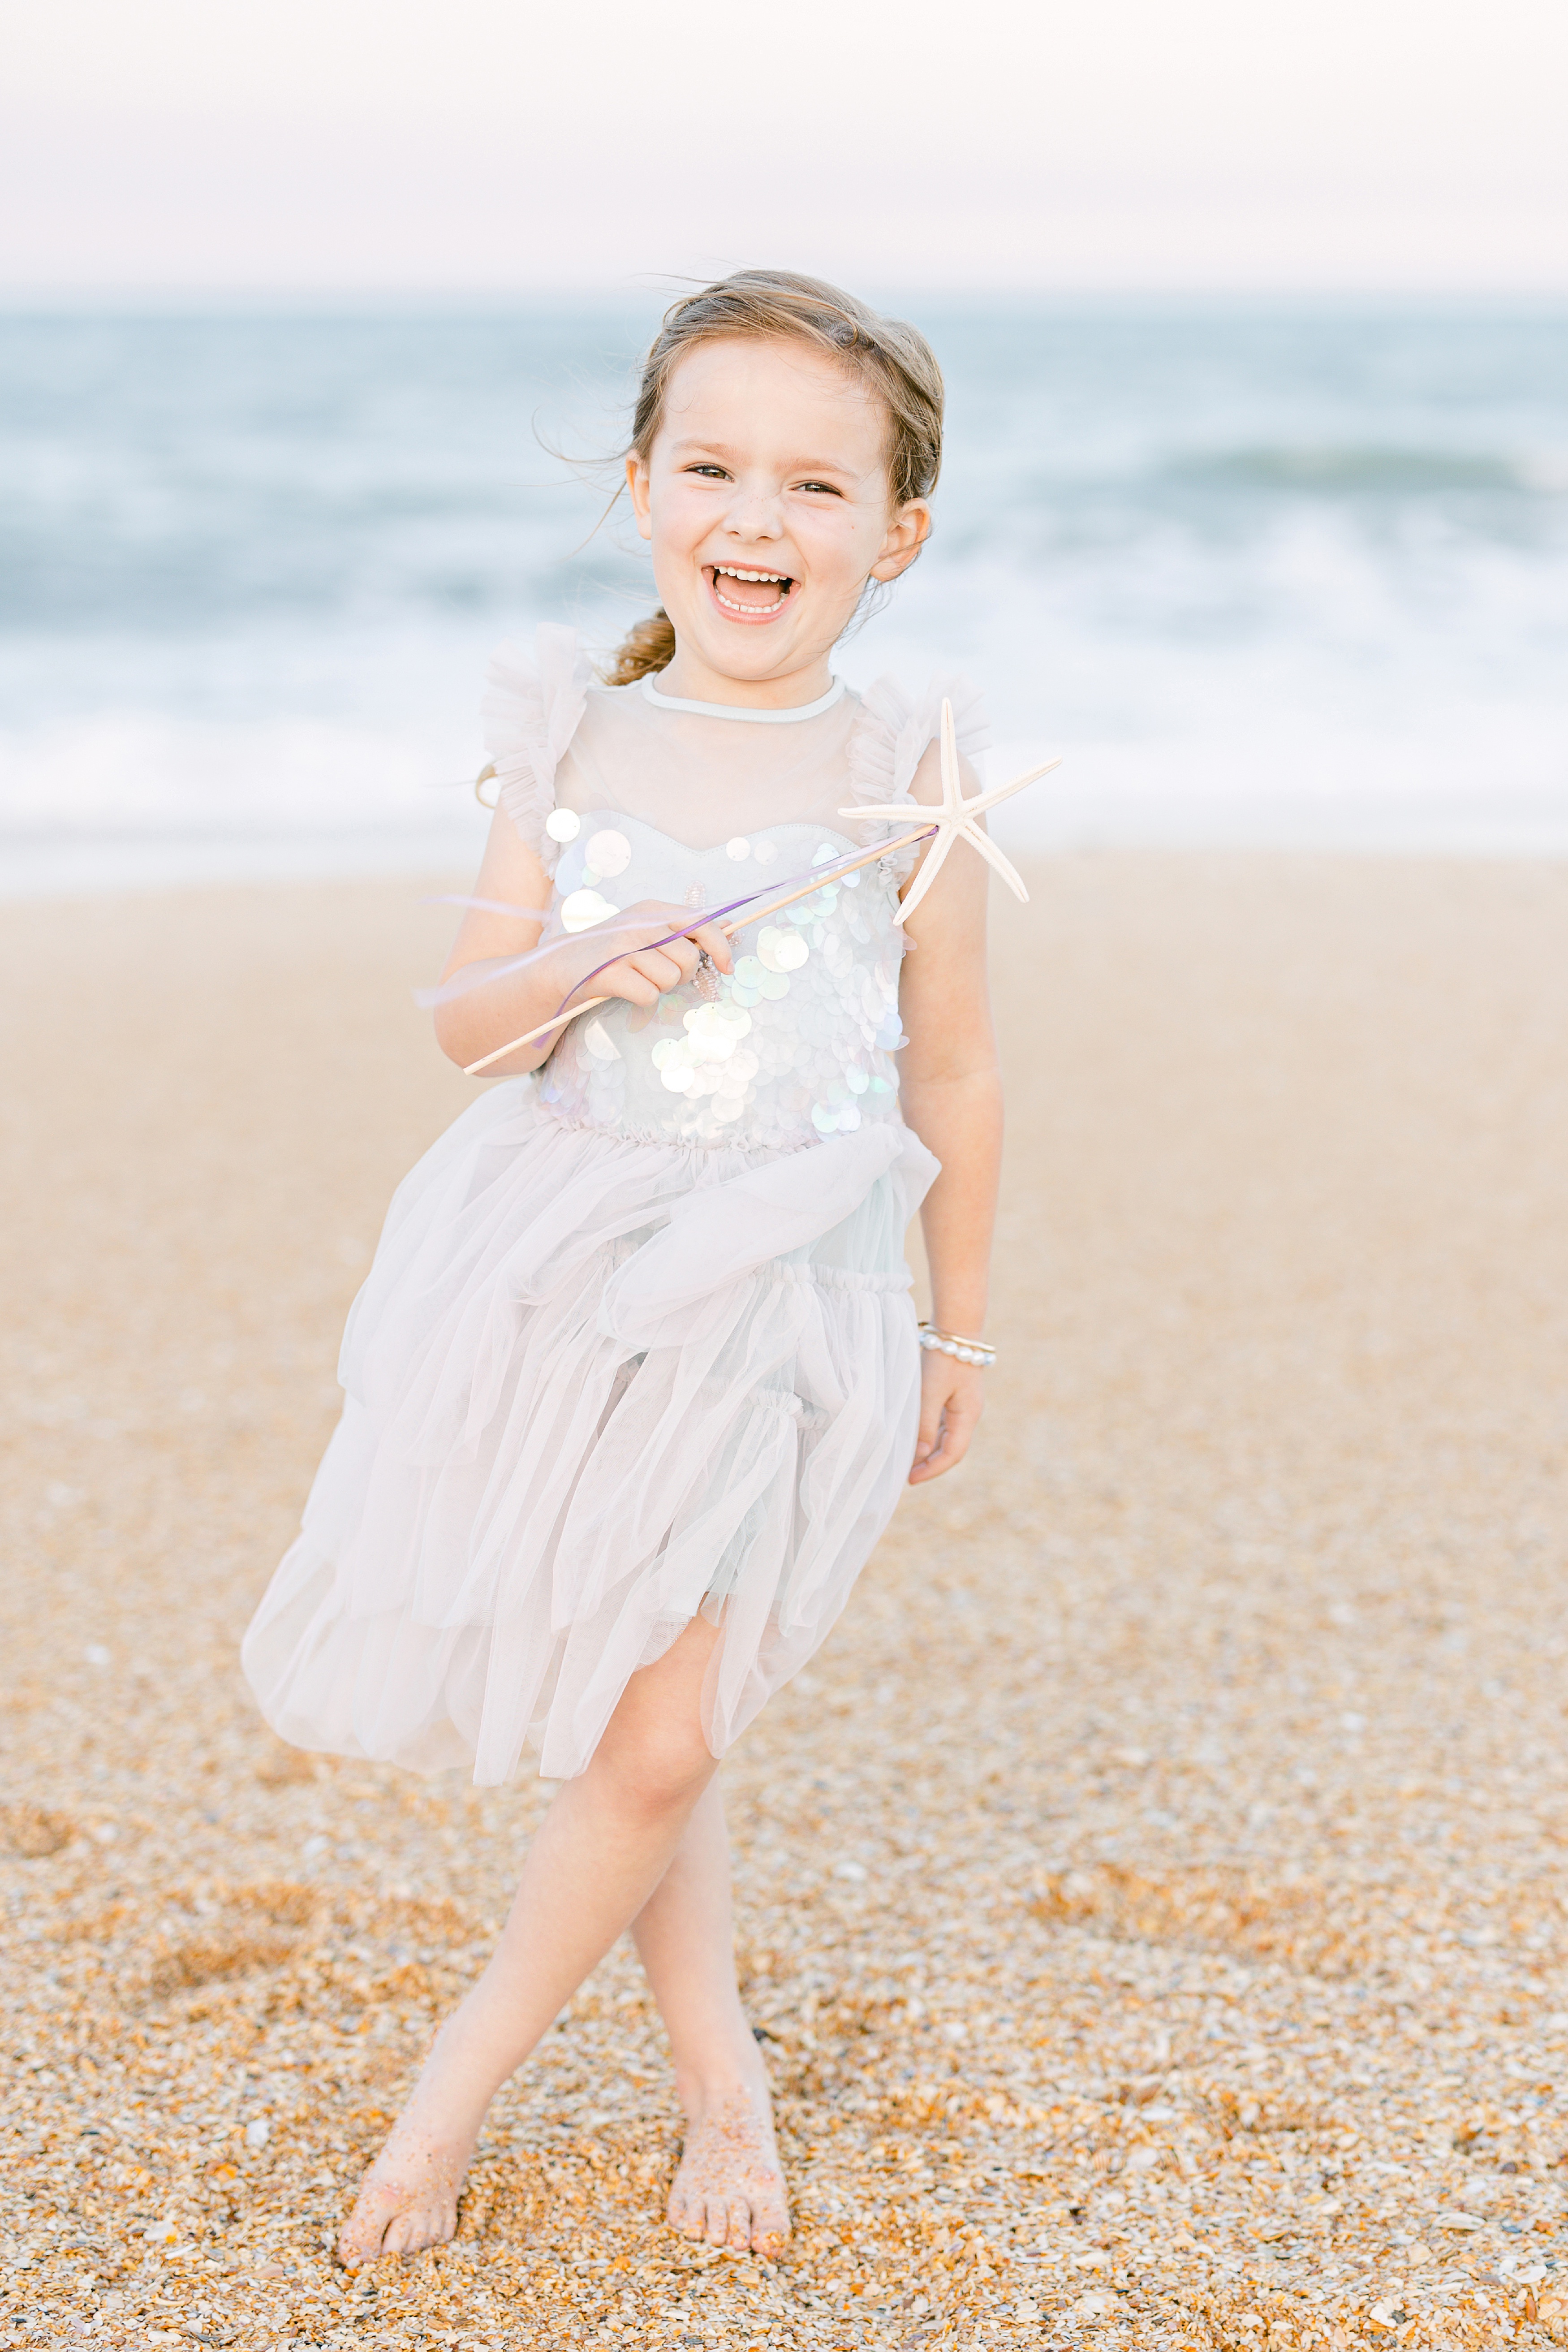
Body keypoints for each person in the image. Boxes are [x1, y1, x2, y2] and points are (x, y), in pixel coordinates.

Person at [241, 268, 1003, 2268]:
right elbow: (471, 1026)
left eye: (816, 486)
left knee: (664, 1720)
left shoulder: (908, 757)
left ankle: (448, 2098)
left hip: (795, 1291)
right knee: (646, 1712)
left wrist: (960, 1315)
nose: (758, 520)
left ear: (893, 532)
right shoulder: (568, 730)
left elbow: (957, 1058)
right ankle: (716, 2073)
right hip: (573, 1260)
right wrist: (582, 959)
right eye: (715, 468)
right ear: (647, 488)